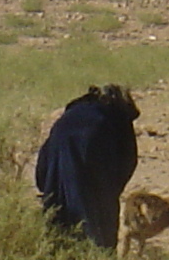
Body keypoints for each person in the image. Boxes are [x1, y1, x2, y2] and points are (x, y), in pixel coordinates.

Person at [34, 84, 139, 250]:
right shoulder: (116, 117)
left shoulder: (69, 116)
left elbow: (44, 163)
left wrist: (47, 187)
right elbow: (127, 160)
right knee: (97, 220)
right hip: (95, 164)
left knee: (58, 220)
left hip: (59, 166)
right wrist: (111, 192)